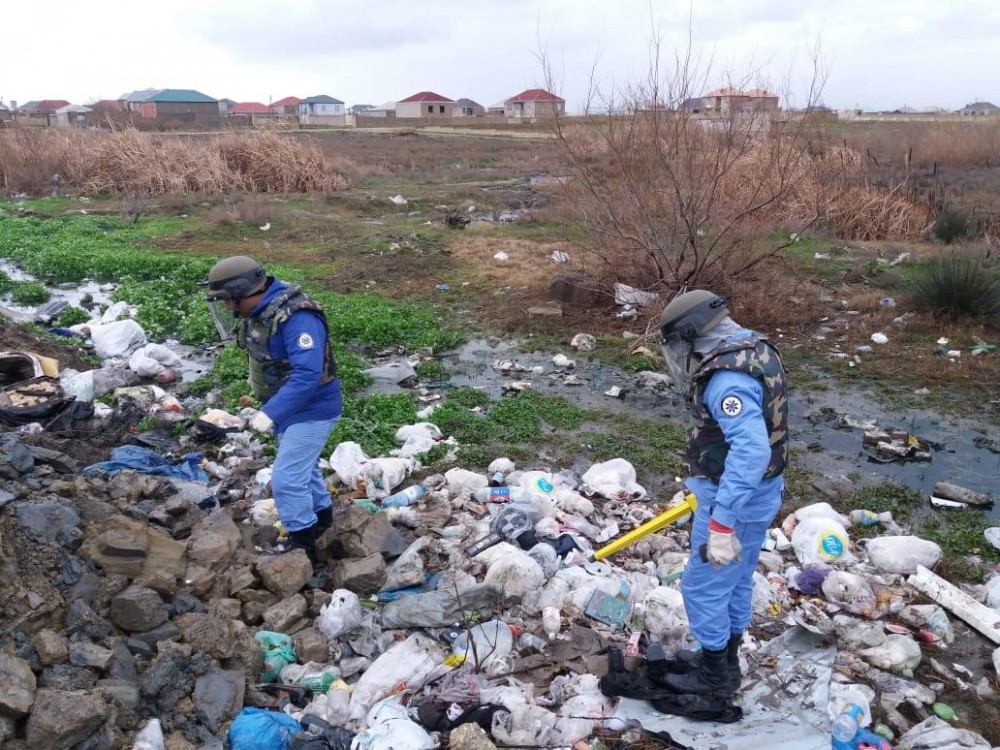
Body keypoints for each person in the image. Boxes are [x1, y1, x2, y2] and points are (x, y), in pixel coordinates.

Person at [657, 290, 788, 698]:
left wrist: (720, 521)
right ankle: (726, 659)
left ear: (693, 333)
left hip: (732, 499)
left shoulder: (725, 380)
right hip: (763, 493)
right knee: (736, 576)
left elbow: (750, 451)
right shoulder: (755, 348)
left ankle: (713, 677)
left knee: (703, 585)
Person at [203, 255, 342, 563]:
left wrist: (272, 412)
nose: (228, 308)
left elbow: (308, 374)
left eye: (229, 301)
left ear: (244, 291)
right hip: (288, 407)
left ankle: (303, 547)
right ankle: (323, 520)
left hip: (313, 409)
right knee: (303, 468)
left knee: (286, 479)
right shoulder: (264, 311)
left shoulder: (297, 318)